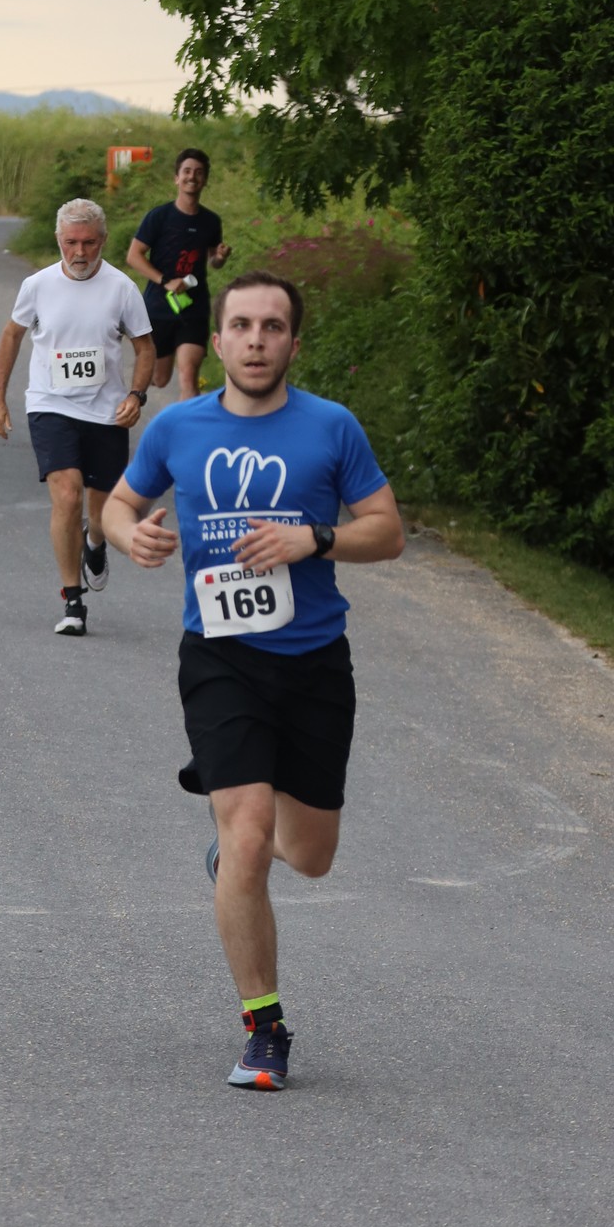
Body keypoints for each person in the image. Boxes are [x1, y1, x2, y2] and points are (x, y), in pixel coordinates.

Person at [102, 272, 404, 1090]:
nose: (256, 340)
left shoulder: (332, 427)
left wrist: (316, 538)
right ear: (220, 340)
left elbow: (388, 532)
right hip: (220, 659)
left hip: (313, 664)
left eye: (273, 327)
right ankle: (264, 1029)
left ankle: (243, 842)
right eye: (241, 325)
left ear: (294, 343)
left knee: (308, 855)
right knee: (247, 833)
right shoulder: (179, 426)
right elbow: (118, 505)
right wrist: (131, 537)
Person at [0, 198, 155, 635]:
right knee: (66, 494)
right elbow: (12, 335)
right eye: (71, 243)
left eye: (89, 243)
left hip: (106, 411)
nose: (80, 252)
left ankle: (94, 543)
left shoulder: (122, 289)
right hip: (50, 404)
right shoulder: (38, 285)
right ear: (58, 240)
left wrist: (136, 395)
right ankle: (73, 601)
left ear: (104, 241)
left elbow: (145, 348)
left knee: (100, 513)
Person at [126, 147, 232, 401]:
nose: (192, 176)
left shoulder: (211, 221)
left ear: (205, 180)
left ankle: (190, 427)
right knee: (158, 379)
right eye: (186, 171)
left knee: (188, 375)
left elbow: (213, 262)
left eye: (198, 172)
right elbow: (134, 256)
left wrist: (219, 258)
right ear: (177, 178)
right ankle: (127, 402)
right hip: (159, 307)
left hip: (193, 308)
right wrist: (165, 281)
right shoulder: (159, 217)